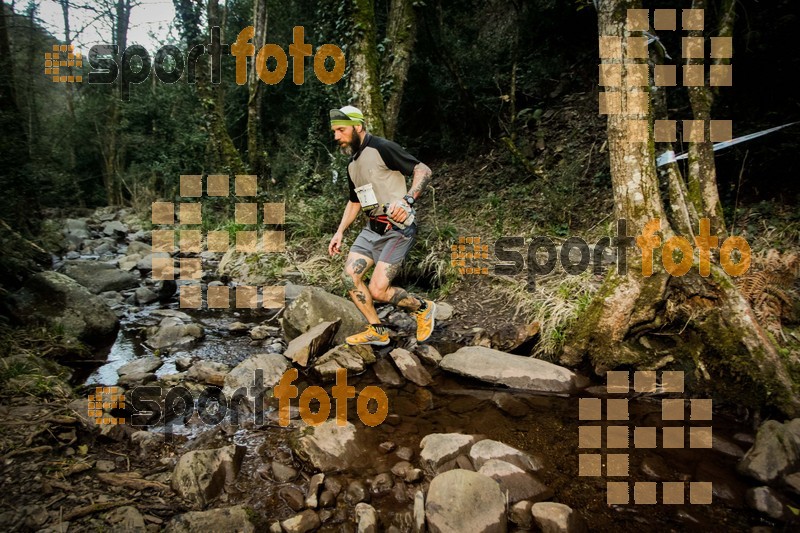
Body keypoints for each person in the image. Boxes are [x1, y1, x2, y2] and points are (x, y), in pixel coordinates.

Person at [327, 105, 435, 346]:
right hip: (371, 229)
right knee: (348, 278)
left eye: (341, 130)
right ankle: (377, 329)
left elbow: (423, 170)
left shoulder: (382, 147)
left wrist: (407, 200)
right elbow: (354, 201)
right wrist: (339, 231)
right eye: (334, 131)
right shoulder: (352, 164)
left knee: (378, 290)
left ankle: (423, 308)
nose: (336, 136)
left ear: (358, 126)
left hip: (398, 229)